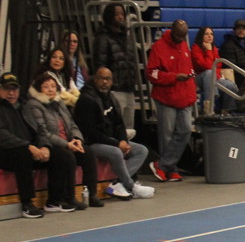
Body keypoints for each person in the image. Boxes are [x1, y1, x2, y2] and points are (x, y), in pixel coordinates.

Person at [75, 66, 155, 200]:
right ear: (95, 79)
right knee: (116, 152)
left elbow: (119, 124)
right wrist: (117, 144)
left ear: (112, 81)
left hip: (111, 140)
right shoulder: (86, 100)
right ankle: (130, 185)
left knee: (141, 150)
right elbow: (91, 133)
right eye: (101, 78)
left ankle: (119, 183)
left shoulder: (111, 98)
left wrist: (123, 140)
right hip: (92, 143)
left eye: (107, 79)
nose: (104, 82)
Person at [23, 74, 101, 210]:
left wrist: (77, 139)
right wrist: (66, 144)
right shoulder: (33, 105)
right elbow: (43, 132)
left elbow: (72, 124)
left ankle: (91, 194)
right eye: (46, 87)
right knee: (66, 156)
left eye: (53, 86)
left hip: (68, 143)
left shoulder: (59, 102)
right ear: (38, 89)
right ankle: (65, 198)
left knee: (88, 153)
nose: (50, 89)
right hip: (49, 145)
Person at [0, 72, 70, 218]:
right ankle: (27, 203)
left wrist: (45, 146)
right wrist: (28, 146)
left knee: (61, 154)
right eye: (7, 89)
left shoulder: (24, 106)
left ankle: (54, 201)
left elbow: (40, 129)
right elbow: (3, 135)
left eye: (14, 89)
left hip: (31, 149)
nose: (11, 93)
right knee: (23, 155)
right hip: (7, 152)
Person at [146, 20, 198, 181]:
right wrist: (174, 77)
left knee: (185, 130)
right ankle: (170, 169)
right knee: (166, 136)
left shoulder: (184, 45)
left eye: (184, 36)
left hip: (185, 96)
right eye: (178, 36)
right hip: (166, 97)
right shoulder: (159, 47)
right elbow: (151, 73)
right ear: (172, 31)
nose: (181, 39)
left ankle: (162, 165)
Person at [92, 3, 140, 133]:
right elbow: (100, 64)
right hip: (114, 90)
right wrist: (107, 87)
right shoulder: (102, 38)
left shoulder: (127, 36)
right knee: (115, 129)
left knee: (129, 130)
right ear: (109, 16)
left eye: (122, 14)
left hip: (128, 88)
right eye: (117, 14)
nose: (120, 17)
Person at [191, 26, 238, 113]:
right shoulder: (195, 49)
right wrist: (208, 51)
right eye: (206, 34)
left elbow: (218, 66)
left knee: (230, 85)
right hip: (198, 79)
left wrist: (218, 76)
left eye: (211, 34)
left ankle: (227, 112)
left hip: (213, 78)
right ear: (201, 36)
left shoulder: (214, 49)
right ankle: (209, 109)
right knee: (209, 73)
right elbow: (208, 66)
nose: (210, 36)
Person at [218, 19, 245, 94]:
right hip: (237, 76)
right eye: (238, 28)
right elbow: (230, 67)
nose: (241, 31)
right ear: (234, 30)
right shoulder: (228, 45)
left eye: (243, 29)